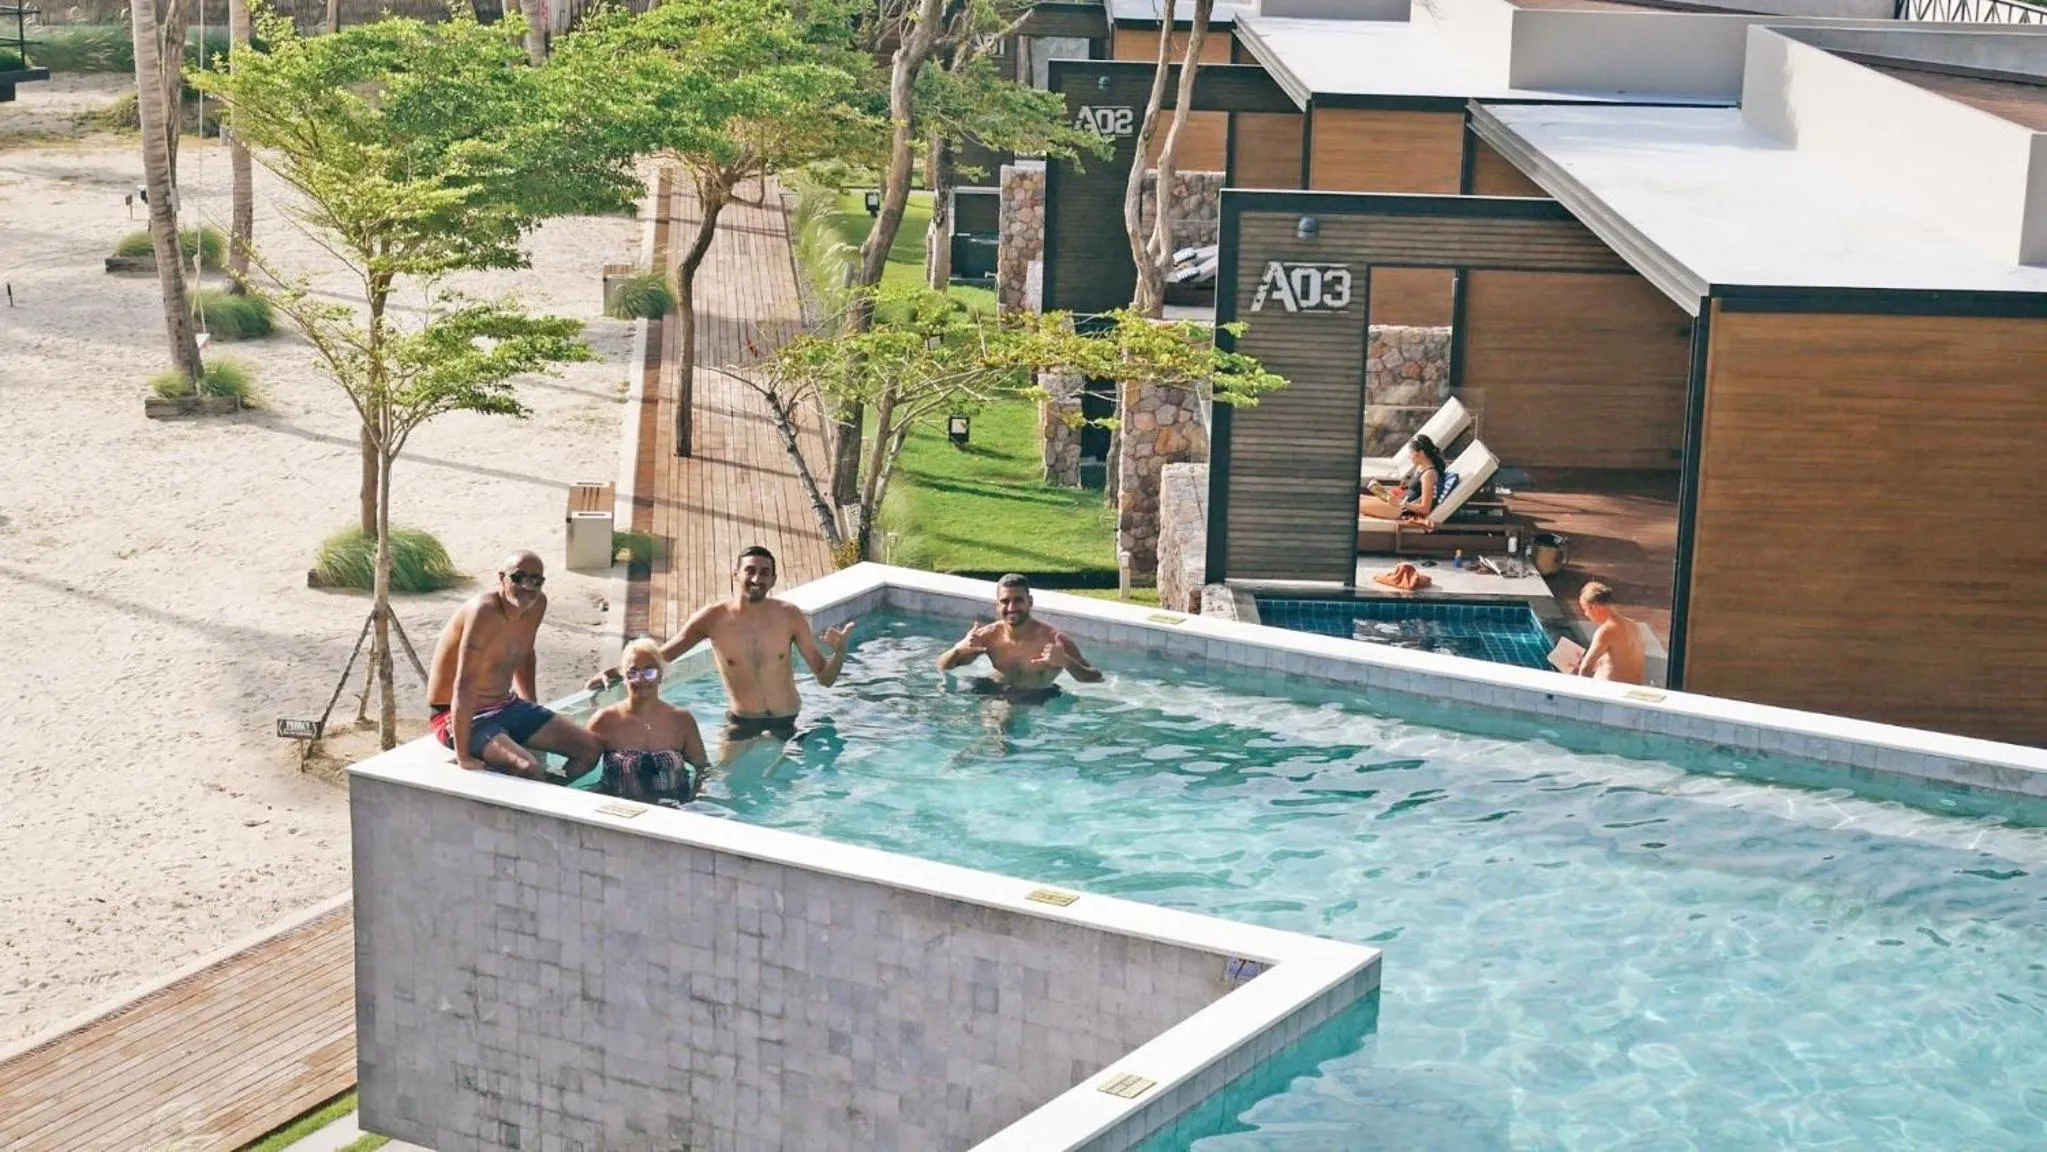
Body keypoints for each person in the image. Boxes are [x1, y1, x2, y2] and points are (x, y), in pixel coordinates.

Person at [590, 545, 854, 750]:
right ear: (736, 574)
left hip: (789, 721)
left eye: (764, 572)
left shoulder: (790, 616)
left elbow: (825, 679)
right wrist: (617, 671)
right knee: (722, 786)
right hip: (742, 723)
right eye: (750, 570)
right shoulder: (713, 618)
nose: (756, 578)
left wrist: (839, 652)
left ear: (773, 580)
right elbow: (662, 656)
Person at [426, 551, 602, 781]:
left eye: (536, 580)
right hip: (457, 713)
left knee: (590, 750)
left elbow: (526, 655)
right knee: (527, 768)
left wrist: (531, 709)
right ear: (502, 578)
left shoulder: (537, 604)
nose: (528, 586)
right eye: (519, 577)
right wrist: (463, 755)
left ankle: (555, 795)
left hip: (505, 704)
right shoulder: (483, 611)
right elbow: (465, 682)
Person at [937, 573, 1104, 700]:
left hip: (1036, 696)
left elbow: (1096, 678)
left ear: (1029, 602)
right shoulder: (988, 636)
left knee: (1001, 721)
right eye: (1005, 601)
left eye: (1018, 600)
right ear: (997, 605)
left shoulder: (1054, 640)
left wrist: (1066, 661)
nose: (1011, 607)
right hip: (993, 689)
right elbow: (942, 666)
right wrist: (958, 650)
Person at [584, 638, 708, 806]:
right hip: (619, 810)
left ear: (661, 675)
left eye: (649, 672)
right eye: (633, 672)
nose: (641, 679)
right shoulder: (604, 720)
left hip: (675, 808)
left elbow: (703, 769)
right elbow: (579, 761)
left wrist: (697, 803)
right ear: (624, 677)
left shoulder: (682, 720)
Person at [1358, 433, 1448, 522]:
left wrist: (1401, 503)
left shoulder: (1429, 475)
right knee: (1358, 497)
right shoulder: (1420, 468)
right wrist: (1394, 493)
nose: (1409, 457)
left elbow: (1425, 508)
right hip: (1398, 503)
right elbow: (1413, 489)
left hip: (1400, 510)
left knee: (1355, 504)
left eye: (1411, 453)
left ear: (1420, 453)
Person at [1572, 582, 1646, 685]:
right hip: (1631, 690)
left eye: (1585, 609)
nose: (1586, 614)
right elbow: (1619, 662)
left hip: (1611, 693)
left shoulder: (1606, 630)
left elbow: (1585, 670)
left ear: (1594, 607)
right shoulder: (1632, 625)